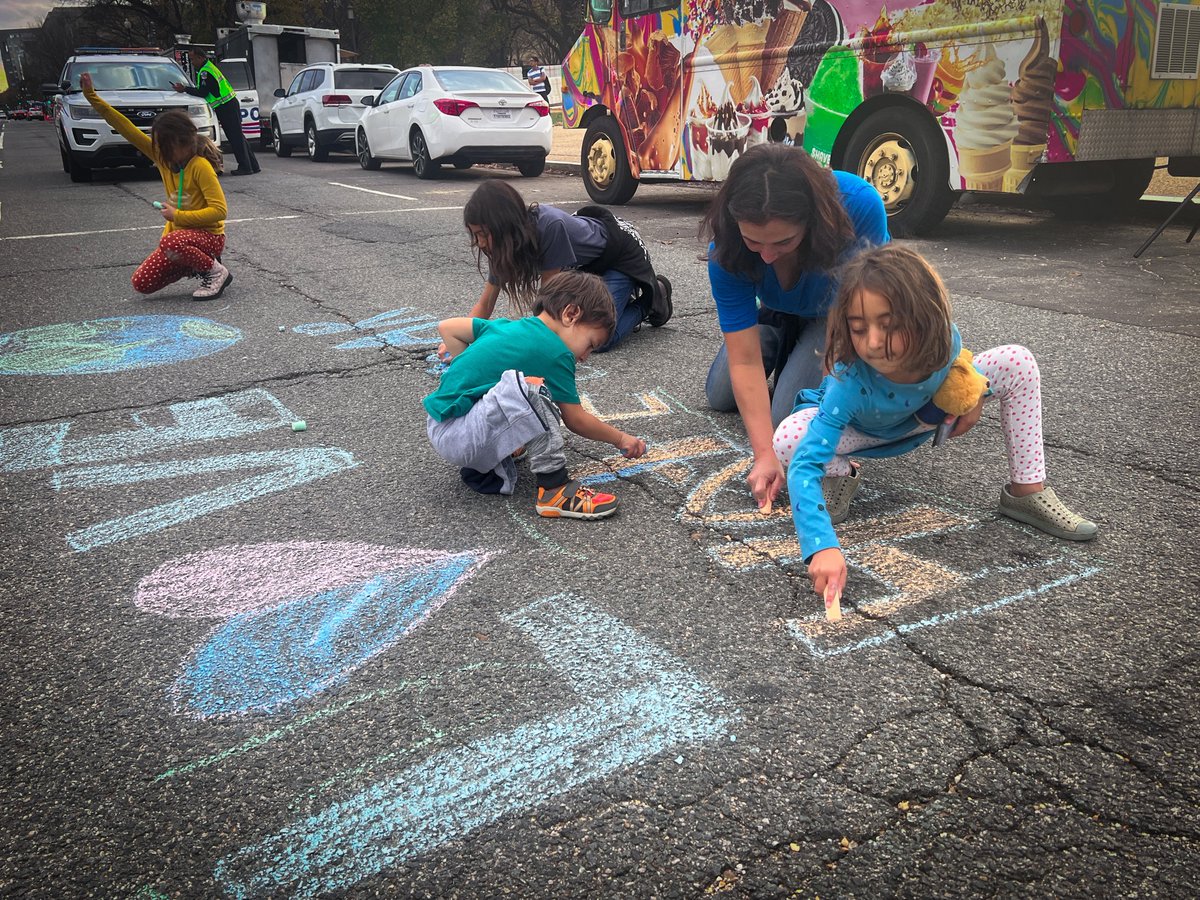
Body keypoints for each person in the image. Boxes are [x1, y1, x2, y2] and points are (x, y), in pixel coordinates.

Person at [773, 244, 1098, 605]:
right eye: (858, 327)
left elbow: (959, 355)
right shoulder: (849, 382)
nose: (874, 343)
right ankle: (839, 475)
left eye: (890, 325)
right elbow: (804, 463)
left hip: (928, 417)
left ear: (925, 319)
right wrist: (822, 546)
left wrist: (971, 392)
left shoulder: (941, 339)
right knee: (789, 438)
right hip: (864, 434)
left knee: (1017, 362)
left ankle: (1027, 490)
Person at [701, 143, 889, 513]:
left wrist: (821, 442)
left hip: (837, 316)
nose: (767, 255)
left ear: (812, 221)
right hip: (774, 309)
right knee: (720, 394)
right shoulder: (725, 250)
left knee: (788, 420)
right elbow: (743, 362)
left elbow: (854, 336)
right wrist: (763, 454)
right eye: (753, 241)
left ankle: (796, 353)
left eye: (783, 242)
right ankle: (782, 342)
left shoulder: (859, 207)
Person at [424, 270, 648, 519]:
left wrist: (467, 370)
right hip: (461, 436)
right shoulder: (554, 352)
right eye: (590, 344)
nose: (584, 357)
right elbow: (576, 419)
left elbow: (448, 328)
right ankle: (555, 489)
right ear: (570, 314)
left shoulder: (508, 327)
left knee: (517, 386)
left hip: (445, 426)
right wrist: (620, 439)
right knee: (531, 388)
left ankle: (484, 465)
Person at [459, 179, 672, 353]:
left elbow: (549, 303)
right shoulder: (502, 245)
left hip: (620, 254)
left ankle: (651, 300)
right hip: (585, 268)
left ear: (503, 225)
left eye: (483, 234)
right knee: (574, 327)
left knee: (598, 336)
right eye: (475, 235)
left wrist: (527, 347)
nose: (480, 243)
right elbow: (485, 305)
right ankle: (620, 298)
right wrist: (460, 338)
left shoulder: (549, 227)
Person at [80, 72, 232, 300]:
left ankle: (214, 271)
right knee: (142, 282)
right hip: (180, 240)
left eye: (164, 145)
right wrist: (91, 96)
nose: (158, 150)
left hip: (209, 236)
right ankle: (196, 263)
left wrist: (177, 215)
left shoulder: (200, 166)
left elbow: (220, 212)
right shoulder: (163, 158)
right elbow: (126, 128)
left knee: (170, 241)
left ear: (182, 143)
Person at [172, 49, 259, 176]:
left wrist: (184, 89)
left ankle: (245, 167)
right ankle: (252, 165)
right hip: (229, 104)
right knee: (238, 136)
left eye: (193, 59)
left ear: (200, 57)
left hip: (226, 106)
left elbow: (203, 92)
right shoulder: (208, 67)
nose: (192, 62)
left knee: (235, 138)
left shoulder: (205, 72)